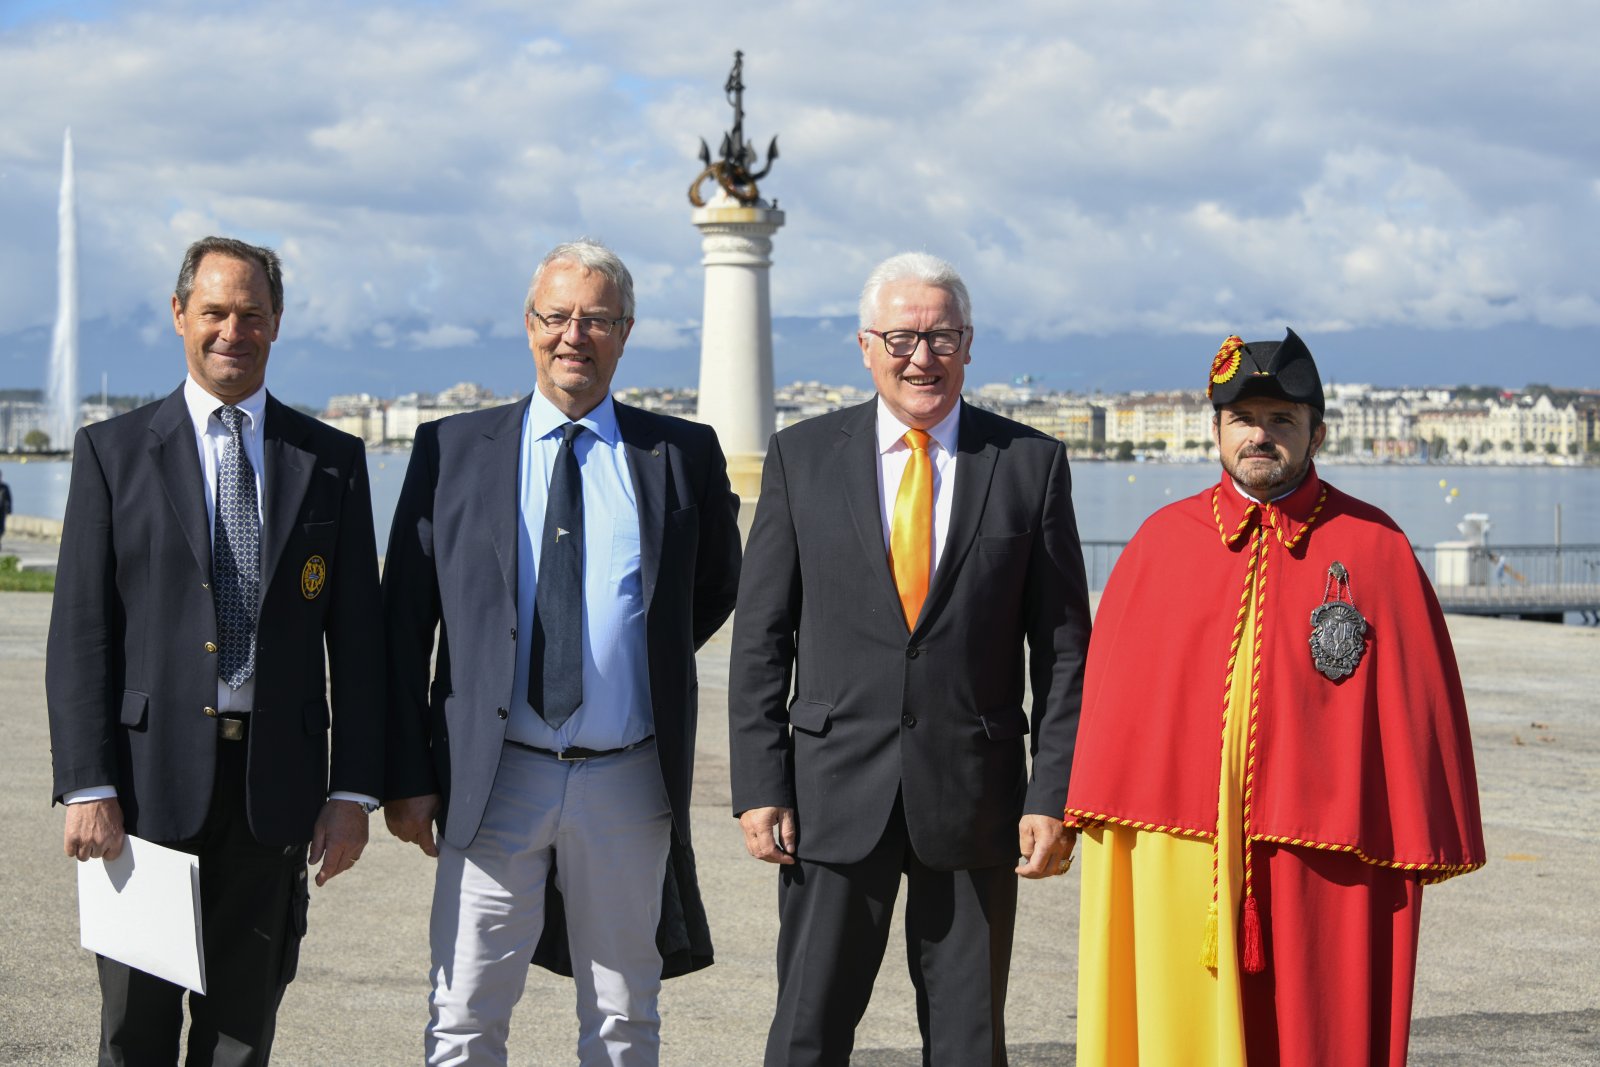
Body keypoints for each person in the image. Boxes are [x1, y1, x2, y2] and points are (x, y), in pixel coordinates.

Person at [1065, 329, 1486, 1066]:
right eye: (1243, 419)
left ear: (1317, 431)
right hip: (1179, 851)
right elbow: (1113, 719)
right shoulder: (1160, 546)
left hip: (1330, 861)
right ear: (1217, 430)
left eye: (1283, 420)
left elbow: (1421, 721)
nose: (1261, 435)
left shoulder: (1377, 548)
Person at [382, 239, 742, 1066]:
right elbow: (406, 622)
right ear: (529, 323)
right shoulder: (451, 451)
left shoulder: (680, 455)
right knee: (464, 1010)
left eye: (598, 319)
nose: (575, 334)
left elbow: (715, 586)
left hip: (627, 777)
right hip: (493, 775)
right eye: (558, 316)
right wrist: (406, 777)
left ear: (625, 331)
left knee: (624, 1018)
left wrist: (630, 659)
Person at [728, 252, 1092, 1066]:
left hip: (975, 796)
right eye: (901, 336)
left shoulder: (1030, 465)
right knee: (806, 1033)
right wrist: (760, 785)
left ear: (969, 345)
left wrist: (1054, 793)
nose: (921, 355)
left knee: (968, 1042)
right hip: (829, 794)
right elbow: (761, 637)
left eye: (941, 336)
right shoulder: (802, 457)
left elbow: (1065, 650)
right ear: (865, 345)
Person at [47, 236, 386, 1065]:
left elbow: (362, 639)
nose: (233, 329)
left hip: (274, 796)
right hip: (142, 793)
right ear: (180, 316)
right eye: (215, 312)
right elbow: (81, 633)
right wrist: (87, 784)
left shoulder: (330, 462)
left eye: (252, 315)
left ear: (277, 325)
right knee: (135, 1035)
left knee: (241, 1039)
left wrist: (352, 792)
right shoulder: (112, 452)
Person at [0, 466, 11, 551]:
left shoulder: (5, 487)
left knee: (2, 529)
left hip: (2, 511)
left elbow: (9, 499)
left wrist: (9, 510)